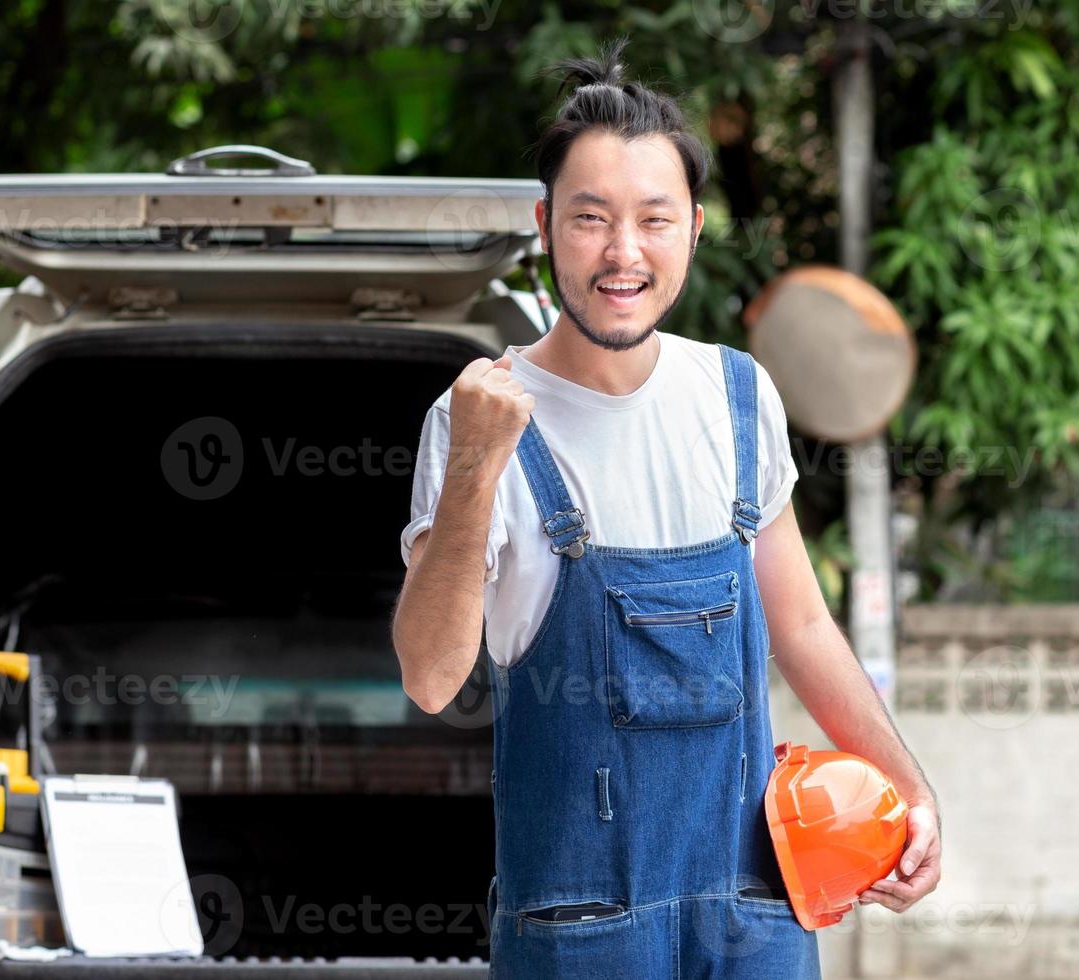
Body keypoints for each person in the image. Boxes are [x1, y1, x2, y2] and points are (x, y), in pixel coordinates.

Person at [391, 36, 941, 978]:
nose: (622, 253)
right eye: (590, 218)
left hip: (755, 921)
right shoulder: (475, 418)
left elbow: (802, 624)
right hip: (579, 937)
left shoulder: (737, 397)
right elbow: (432, 676)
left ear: (692, 226)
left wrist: (910, 791)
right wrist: (479, 470)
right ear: (545, 224)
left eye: (652, 219)